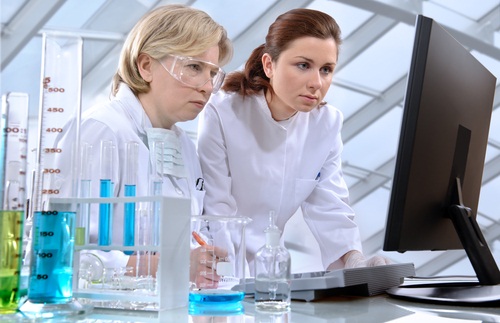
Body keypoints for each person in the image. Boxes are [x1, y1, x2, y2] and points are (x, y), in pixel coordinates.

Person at [197, 8, 388, 273]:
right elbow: (218, 209)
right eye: (303, 65)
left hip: (271, 270)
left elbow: (329, 203)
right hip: (219, 266)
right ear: (269, 65)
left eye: (326, 69)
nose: (316, 83)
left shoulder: (327, 123)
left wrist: (353, 259)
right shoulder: (223, 112)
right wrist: (232, 280)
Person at [54, 4, 232, 276]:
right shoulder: (100, 129)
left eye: (212, 74)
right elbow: (63, 250)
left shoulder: (183, 144)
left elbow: (192, 234)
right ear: (146, 66)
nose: (207, 86)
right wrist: (169, 265)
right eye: (194, 67)